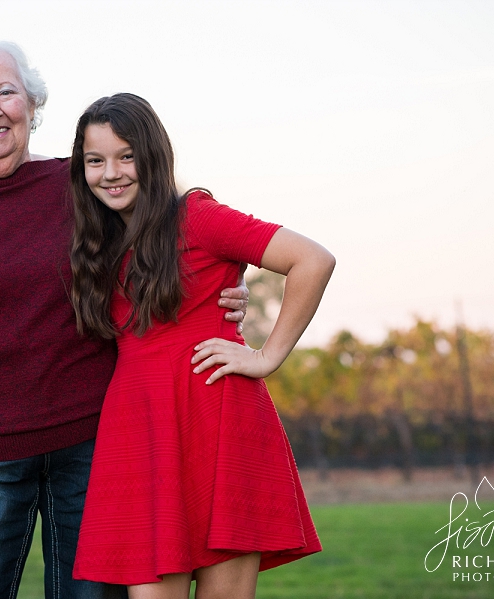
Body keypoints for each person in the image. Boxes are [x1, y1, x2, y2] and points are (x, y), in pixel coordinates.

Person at [0, 38, 249, 599]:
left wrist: (224, 284)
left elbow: (166, 231)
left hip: (94, 445)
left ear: (31, 104)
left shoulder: (80, 185)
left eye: (7, 92)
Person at [68, 93, 335, 599]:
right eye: (95, 160)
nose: (112, 173)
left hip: (218, 422)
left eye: (126, 156)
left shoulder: (197, 217)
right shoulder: (99, 243)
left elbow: (313, 260)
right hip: (140, 430)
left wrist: (266, 355)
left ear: (153, 155)